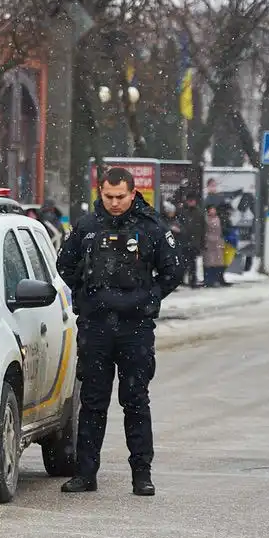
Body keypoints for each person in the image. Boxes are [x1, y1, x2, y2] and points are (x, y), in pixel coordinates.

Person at [55, 167, 182, 497]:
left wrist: (148, 299)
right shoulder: (86, 226)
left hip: (135, 328)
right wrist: (86, 296)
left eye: (120, 197)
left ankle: (142, 474)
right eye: (108, 197)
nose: (114, 203)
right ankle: (85, 474)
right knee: (93, 402)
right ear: (101, 192)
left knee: (135, 401)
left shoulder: (151, 226)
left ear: (132, 192)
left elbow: (173, 270)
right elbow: (65, 266)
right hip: (96, 327)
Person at [175, 192, 205, 287]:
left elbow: (203, 228)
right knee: (184, 262)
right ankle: (182, 279)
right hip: (184, 241)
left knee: (192, 263)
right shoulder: (183, 211)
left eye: (193, 201)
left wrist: (201, 241)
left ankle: (192, 280)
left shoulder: (199, 212)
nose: (191, 202)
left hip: (194, 242)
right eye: (190, 201)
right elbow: (179, 224)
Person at [202, 204, 229, 287]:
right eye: (211, 209)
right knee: (209, 263)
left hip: (218, 242)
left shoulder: (218, 219)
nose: (213, 211)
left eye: (214, 209)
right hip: (209, 242)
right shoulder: (206, 219)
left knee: (219, 262)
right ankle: (209, 280)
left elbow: (222, 229)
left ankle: (219, 279)